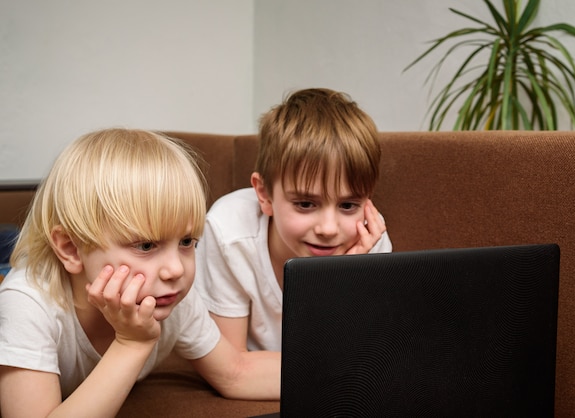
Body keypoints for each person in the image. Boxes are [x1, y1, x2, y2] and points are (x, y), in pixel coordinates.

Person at [0, 128, 280, 417]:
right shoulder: (28, 303)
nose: (175, 269)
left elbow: (235, 372)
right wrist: (131, 343)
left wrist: (330, 366)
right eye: (146, 245)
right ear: (71, 249)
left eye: (186, 242)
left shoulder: (167, 294)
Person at [194, 88, 393, 352]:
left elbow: (363, 358)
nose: (328, 229)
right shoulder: (228, 231)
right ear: (264, 194)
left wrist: (342, 279)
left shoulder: (369, 239)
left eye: (348, 205)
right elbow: (231, 364)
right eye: (306, 204)